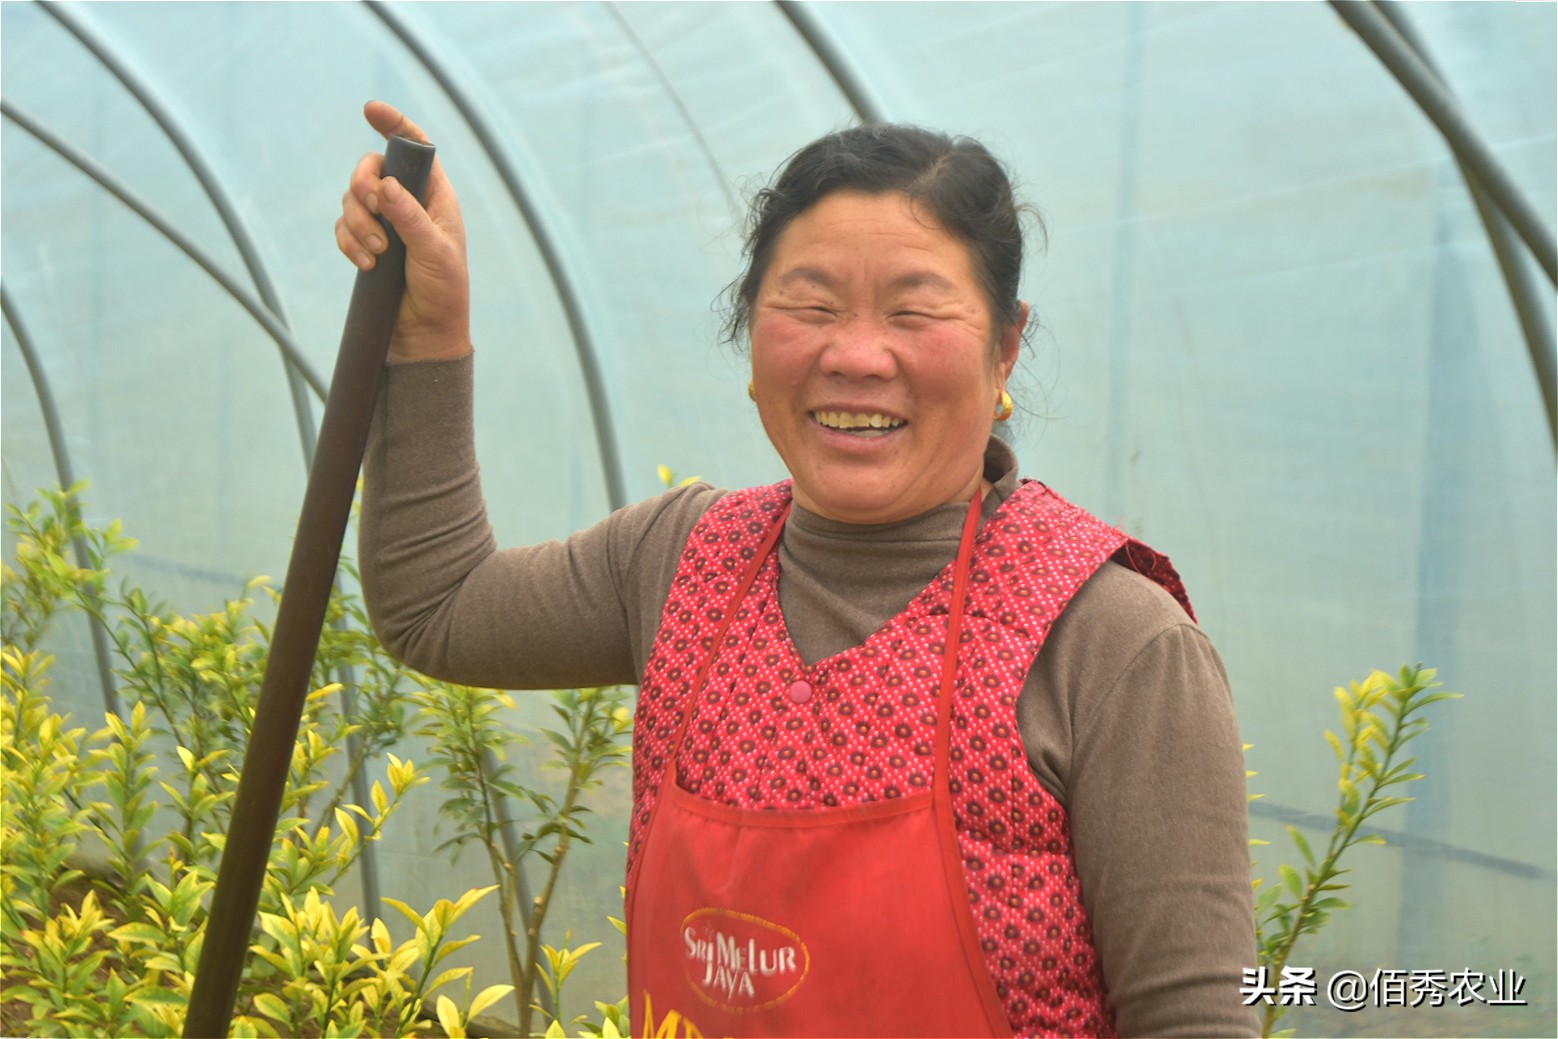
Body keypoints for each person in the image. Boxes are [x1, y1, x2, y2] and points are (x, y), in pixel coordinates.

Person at [338, 101, 1258, 1038]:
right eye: (809, 305)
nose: (855, 355)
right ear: (749, 334)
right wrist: (429, 330)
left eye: (915, 309)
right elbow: (438, 605)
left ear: (1005, 344)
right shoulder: (682, 561)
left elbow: (1195, 1018)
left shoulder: (1113, 644)